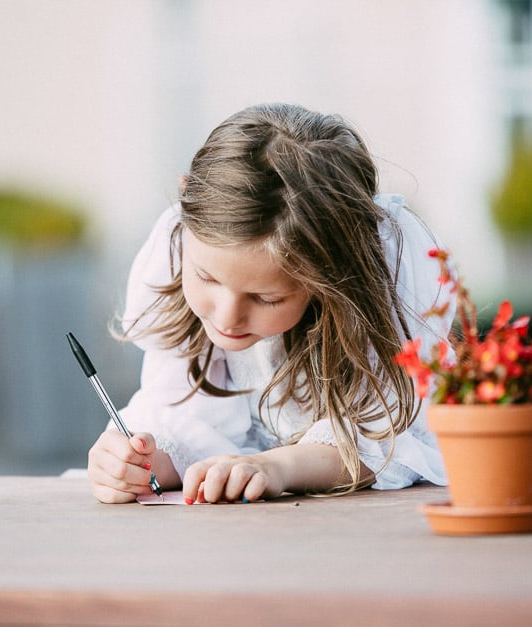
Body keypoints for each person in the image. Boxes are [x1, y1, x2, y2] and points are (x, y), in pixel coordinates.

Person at [87, 103, 455, 504]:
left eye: (267, 298)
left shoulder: (389, 275)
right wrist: (138, 465)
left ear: (328, 276)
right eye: (206, 278)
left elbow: (387, 444)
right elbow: (186, 424)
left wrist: (277, 466)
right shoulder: (176, 246)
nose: (227, 316)